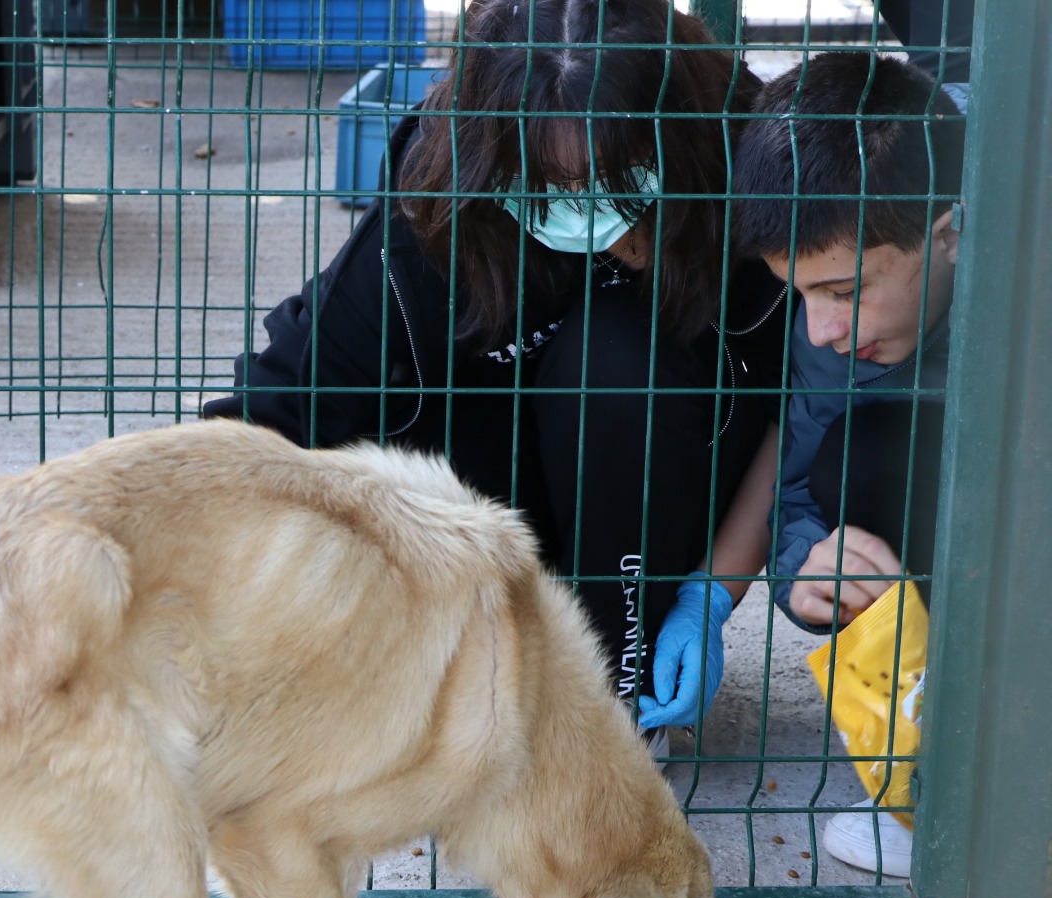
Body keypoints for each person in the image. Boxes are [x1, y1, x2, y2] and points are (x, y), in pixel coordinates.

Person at [204, 0, 790, 747]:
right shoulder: (436, 202)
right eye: (549, 183)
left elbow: (800, 403)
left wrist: (712, 591)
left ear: (676, 135)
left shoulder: (743, 154)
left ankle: (618, 693)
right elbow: (270, 410)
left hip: (653, 502)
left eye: (613, 175)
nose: (580, 209)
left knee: (615, 361)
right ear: (491, 156)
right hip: (481, 540)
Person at [733, 53, 966, 876]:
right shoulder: (832, 332)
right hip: (942, 489)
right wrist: (809, 573)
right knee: (857, 463)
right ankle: (925, 774)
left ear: (951, 232)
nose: (823, 330)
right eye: (802, 295)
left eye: (844, 290)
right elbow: (800, 489)